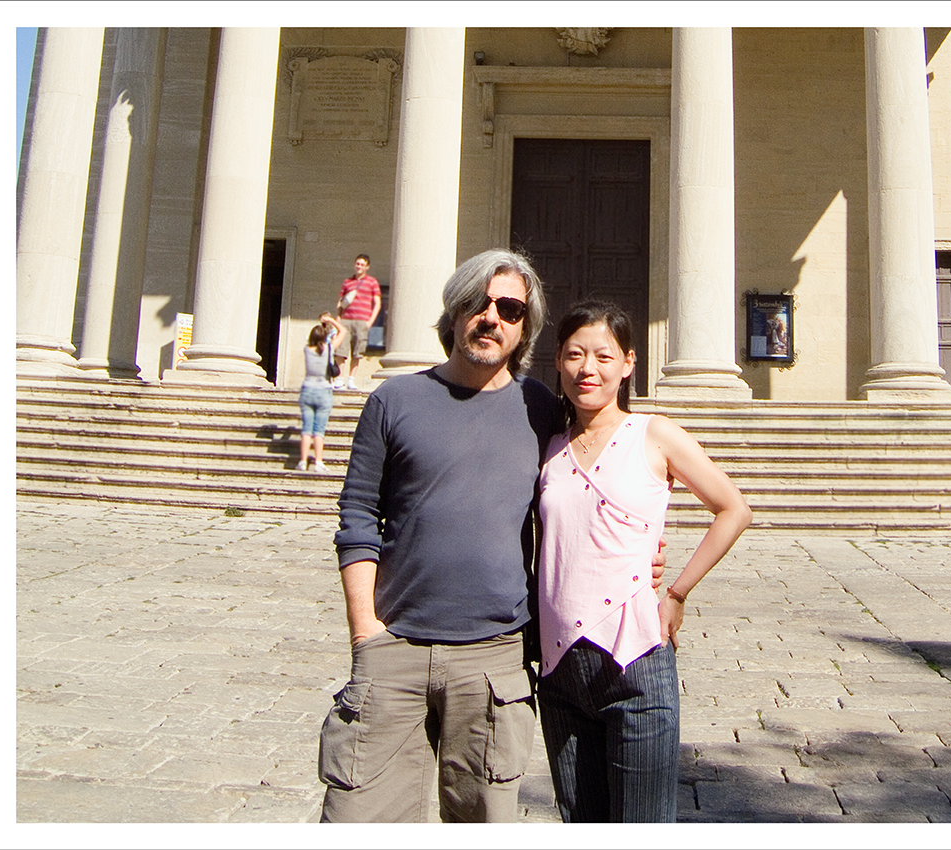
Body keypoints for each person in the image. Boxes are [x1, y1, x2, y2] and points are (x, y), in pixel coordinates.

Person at [318, 250, 664, 823]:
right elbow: (357, 515)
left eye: (509, 309)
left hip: (496, 658)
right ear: (454, 312)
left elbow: (589, 488)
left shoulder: (541, 409)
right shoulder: (393, 401)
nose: (491, 317)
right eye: (477, 303)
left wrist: (637, 556)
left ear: (525, 328)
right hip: (393, 649)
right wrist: (365, 633)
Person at [536, 300, 753, 823]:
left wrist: (676, 592)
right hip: (560, 670)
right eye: (574, 355)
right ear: (558, 361)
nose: (587, 369)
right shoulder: (549, 447)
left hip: (635, 661)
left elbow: (733, 509)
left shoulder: (654, 434)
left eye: (603, 356)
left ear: (628, 363)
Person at [297, 313, 346, 473]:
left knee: (306, 429)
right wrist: (330, 320)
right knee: (319, 430)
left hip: (307, 390)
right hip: (324, 391)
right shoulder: (329, 349)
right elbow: (343, 331)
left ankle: (303, 461)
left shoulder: (307, 349)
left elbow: (312, 341)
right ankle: (318, 461)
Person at [335, 254, 382, 390]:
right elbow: (341, 301)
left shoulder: (372, 282)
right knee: (340, 350)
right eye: (357, 264)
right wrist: (338, 318)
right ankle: (339, 379)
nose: (359, 266)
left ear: (367, 267)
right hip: (346, 320)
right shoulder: (347, 282)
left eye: (362, 264)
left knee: (357, 352)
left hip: (362, 320)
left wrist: (370, 321)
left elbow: (377, 303)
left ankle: (351, 379)